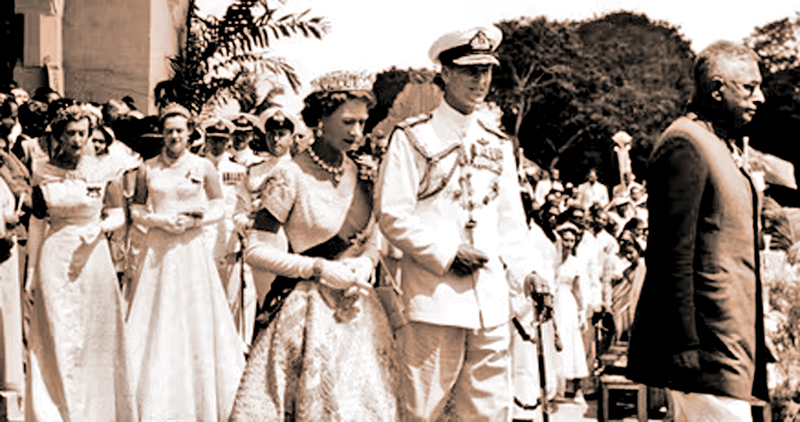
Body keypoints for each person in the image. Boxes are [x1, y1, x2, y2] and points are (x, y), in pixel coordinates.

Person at [376, 26, 547, 421]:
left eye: (487, 70)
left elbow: (510, 225)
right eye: (470, 71)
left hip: (490, 303)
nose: (481, 81)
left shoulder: (497, 142)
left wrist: (529, 275)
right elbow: (392, 214)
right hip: (434, 299)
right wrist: (448, 253)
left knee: (488, 412)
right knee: (422, 410)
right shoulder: (412, 137)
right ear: (445, 74)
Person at [229, 71, 400, 421]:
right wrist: (319, 268)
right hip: (305, 313)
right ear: (320, 120)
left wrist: (366, 262)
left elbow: (373, 237)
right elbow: (256, 250)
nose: (357, 132)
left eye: (362, 123)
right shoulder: (289, 175)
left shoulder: (366, 175)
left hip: (360, 311)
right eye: (348, 122)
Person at [627, 41, 771, 421]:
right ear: (717, 89)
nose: (760, 98)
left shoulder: (719, 144)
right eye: (749, 88)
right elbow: (669, 256)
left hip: (730, 345)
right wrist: (683, 346)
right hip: (704, 354)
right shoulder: (685, 144)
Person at [125, 103, 245, 421]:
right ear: (162, 134)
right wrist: (158, 221)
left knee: (194, 317)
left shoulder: (203, 166)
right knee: (159, 315)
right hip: (159, 251)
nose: (174, 136)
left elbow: (220, 205)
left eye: (180, 130)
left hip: (191, 250)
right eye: (169, 131)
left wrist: (198, 221)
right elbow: (136, 210)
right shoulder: (147, 168)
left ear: (190, 133)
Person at [24, 104, 134, 421]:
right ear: (58, 135)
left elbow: (117, 215)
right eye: (70, 133)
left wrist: (97, 229)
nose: (77, 140)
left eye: (82, 134)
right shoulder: (43, 170)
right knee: (57, 329)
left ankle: (94, 409)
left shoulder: (103, 169)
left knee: (92, 333)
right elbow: (36, 223)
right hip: (56, 253)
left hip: (93, 256)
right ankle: (55, 409)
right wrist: (31, 272)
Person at [201, 117, 256, 344]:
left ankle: (232, 344)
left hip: (229, 240)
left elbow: (244, 204)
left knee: (231, 298)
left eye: (222, 140)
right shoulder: (195, 167)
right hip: (202, 240)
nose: (218, 145)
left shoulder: (238, 171)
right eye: (213, 139)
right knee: (203, 297)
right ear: (206, 139)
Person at [552, 222, 590, 402]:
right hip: (554, 303)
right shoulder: (551, 260)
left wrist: (582, 312)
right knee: (555, 342)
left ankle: (577, 390)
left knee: (573, 344)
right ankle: (555, 389)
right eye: (565, 240)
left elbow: (577, 289)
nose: (568, 244)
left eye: (572, 241)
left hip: (568, 304)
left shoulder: (576, 263)